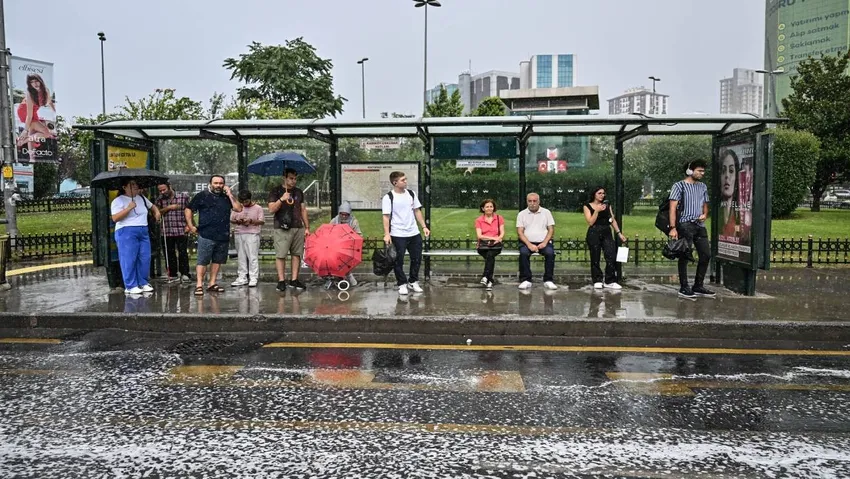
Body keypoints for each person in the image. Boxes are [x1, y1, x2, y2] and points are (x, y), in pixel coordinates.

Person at [185, 175, 243, 296]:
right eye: (216, 183)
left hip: (223, 235)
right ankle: (199, 285)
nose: (218, 185)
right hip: (206, 234)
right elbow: (189, 209)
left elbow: (238, 209)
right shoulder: (202, 196)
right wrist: (191, 225)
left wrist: (230, 194)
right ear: (210, 183)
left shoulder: (227, 197)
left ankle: (212, 283)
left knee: (217, 261)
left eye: (221, 183)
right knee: (202, 261)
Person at [669, 160, 716, 299]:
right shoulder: (679, 186)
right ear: (690, 170)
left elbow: (705, 203)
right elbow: (672, 207)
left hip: (699, 226)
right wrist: (673, 228)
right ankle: (684, 287)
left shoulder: (702, 186)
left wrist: (705, 214)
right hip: (685, 225)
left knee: (706, 255)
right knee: (685, 255)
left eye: (703, 171)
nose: (702, 173)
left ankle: (698, 285)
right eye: (699, 171)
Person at [382, 171, 430, 296]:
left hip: (413, 232)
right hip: (398, 233)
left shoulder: (411, 194)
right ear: (395, 182)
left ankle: (413, 281)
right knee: (398, 260)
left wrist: (424, 226)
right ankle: (402, 283)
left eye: (406, 179)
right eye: (403, 180)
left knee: (417, 258)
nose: (405, 181)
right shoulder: (388, 197)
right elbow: (386, 216)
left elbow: (417, 211)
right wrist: (387, 234)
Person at [110, 179, 161, 295]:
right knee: (129, 258)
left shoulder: (142, 198)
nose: (135, 187)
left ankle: (143, 282)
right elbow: (115, 218)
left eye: (136, 185)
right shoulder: (118, 201)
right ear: (124, 187)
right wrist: (128, 208)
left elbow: (152, 206)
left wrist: (156, 212)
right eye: (132, 185)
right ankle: (130, 285)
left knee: (144, 257)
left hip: (143, 229)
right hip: (126, 230)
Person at [268, 168, 310, 292]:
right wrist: (281, 199)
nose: (294, 181)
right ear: (284, 178)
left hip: (297, 226)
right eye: (291, 178)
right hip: (282, 227)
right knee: (281, 254)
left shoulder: (298, 192)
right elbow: (271, 209)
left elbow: (303, 210)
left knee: (297, 254)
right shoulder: (276, 191)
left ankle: (294, 279)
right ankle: (281, 280)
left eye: (295, 178)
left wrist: (307, 227)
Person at [583, 187, 627, 290]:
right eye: (599, 193)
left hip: (606, 231)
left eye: (603, 193)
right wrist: (597, 211)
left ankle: (610, 280)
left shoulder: (607, 205)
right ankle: (597, 279)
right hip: (594, 232)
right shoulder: (587, 206)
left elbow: (612, 220)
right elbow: (590, 222)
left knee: (611, 254)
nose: (602, 195)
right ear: (594, 194)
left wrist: (619, 233)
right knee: (595, 256)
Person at [516, 193, 557, 290]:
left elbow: (551, 230)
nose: (532, 203)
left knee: (550, 253)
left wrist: (544, 242)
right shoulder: (521, 214)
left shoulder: (546, 212)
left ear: (539, 201)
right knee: (524, 253)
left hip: (544, 242)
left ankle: (548, 280)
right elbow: (520, 232)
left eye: (534, 201)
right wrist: (529, 244)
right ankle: (526, 279)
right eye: (530, 201)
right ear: (527, 202)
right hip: (527, 242)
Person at [156, 182, 191, 282]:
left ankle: (185, 273)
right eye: (160, 190)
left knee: (182, 252)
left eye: (164, 189)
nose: (163, 192)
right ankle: (173, 273)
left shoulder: (183, 196)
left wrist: (189, 225)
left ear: (170, 187)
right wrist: (168, 208)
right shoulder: (160, 199)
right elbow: (157, 213)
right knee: (169, 253)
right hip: (167, 230)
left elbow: (189, 210)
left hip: (181, 228)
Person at [15, 74, 55, 162]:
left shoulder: (46, 91)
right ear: (30, 84)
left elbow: (50, 101)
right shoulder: (30, 93)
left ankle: (32, 159)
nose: (35, 84)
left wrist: (54, 110)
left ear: (40, 81)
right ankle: (23, 141)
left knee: (32, 134)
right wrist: (25, 131)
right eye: (32, 82)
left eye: (36, 81)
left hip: (34, 112)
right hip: (24, 111)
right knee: (46, 133)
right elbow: (29, 115)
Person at [230, 190, 265, 287]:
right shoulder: (237, 207)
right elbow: (232, 219)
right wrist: (238, 221)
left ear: (250, 199)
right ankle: (242, 276)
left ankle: (253, 277)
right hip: (239, 232)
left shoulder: (258, 208)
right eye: (242, 201)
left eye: (246, 201)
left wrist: (251, 220)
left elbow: (262, 221)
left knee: (252, 256)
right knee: (241, 256)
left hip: (252, 233)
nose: (244, 203)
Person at [474, 199, 505, 291]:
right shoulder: (479, 220)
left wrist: (498, 239)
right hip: (483, 246)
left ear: (494, 208)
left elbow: (502, 233)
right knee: (490, 256)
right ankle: (489, 280)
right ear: (483, 208)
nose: (489, 208)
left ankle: (485, 277)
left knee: (490, 255)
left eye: (491, 206)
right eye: (487, 207)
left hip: (496, 245)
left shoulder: (499, 218)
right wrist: (493, 238)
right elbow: (479, 235)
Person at [330, 201, 361, 287]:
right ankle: (341, 276)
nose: (343, 216)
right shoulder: (334, 221)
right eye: (342, 214)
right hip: (336, 246)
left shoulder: (353, 222)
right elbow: (329, 233)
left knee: (345, 257)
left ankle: (347, 274)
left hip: (349, 247)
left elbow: (358, 235)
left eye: (346, 215)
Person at [719, 149, 740, 238]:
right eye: (723, 171)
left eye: (731, 171)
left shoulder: (741, 213)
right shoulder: (717, 211)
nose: (727, 175)